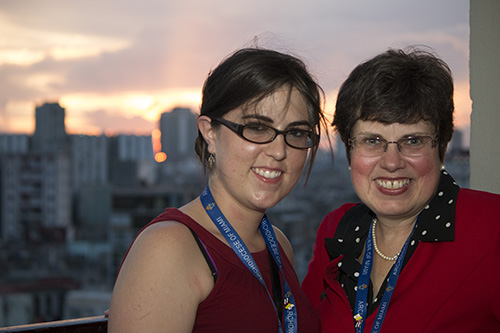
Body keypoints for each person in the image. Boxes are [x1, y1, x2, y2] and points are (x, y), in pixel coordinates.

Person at [108, 47, 327, 332]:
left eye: (296, 133)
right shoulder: (169, 249)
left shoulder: (278, 244)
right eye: (257, 128)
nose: (279, 151)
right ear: (210, 133)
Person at [302, 47, 500, 332]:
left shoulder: (491, 228)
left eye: (413, 141)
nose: (392, 162)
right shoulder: (336, 230)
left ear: (441, 148)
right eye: (372, 141)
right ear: (349, 151)